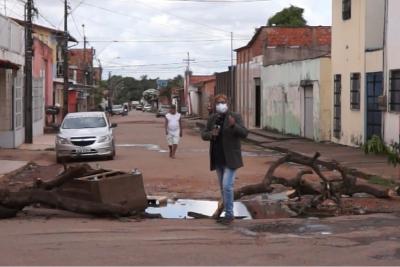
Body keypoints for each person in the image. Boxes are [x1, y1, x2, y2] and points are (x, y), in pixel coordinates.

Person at [201, 94, 248, 225]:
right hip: (218, 158)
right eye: (218, 103)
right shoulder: (212, 118)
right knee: (223, 188)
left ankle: (229, 214)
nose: (221, 105)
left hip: (231, 158)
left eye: (223, 102)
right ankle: (226, 211)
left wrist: (234, 126)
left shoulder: (235, 117)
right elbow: (203, 134)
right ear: (215, 105)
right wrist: (211, 134)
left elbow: (244, 133)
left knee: (227, 186)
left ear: (227, 103)